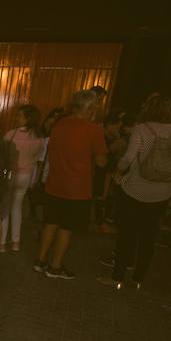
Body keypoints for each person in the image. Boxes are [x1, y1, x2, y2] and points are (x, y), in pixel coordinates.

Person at [98, 94, 171, 289]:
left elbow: (128, 157)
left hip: (134, 188)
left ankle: (118, 277)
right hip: (162, 192)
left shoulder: (142, 129)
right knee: (149, 237)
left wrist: (118, 173)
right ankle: (138, 279)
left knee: (126, 235)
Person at [34, 90, 108, 279]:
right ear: (90, 107)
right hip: (77, 188)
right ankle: (55, 266)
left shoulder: (59, 125)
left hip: (54, 182)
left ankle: (40, 260)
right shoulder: (94, 130)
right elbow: (101, 162)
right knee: (66, 227)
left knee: (50, 222)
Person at [0, 105, 43, 251]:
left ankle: (2, 243)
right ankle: (16, 242)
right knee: (17, 207)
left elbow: (3, 155)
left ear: (27, 118)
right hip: (27, 175)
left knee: (5, 209)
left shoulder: (11, 134)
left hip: (11, 174)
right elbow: (37, 159)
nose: (16, 118)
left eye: (19, 116)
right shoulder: (38, 137)